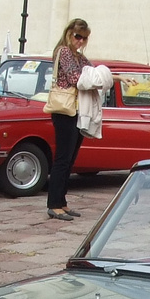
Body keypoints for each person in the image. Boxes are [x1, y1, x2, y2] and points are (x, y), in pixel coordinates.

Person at [45, 18, 90, 221]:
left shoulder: (78, 56)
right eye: (77, 36)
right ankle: (54, 203)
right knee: (63, 158)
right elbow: (76, 78)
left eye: (84, 38)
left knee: (70, 158)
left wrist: (115, 77)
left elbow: (93, 72)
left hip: (75, 109)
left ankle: (61, 201)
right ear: (69, 34)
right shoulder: (64, 51)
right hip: (64, 109)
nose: (80, 41)